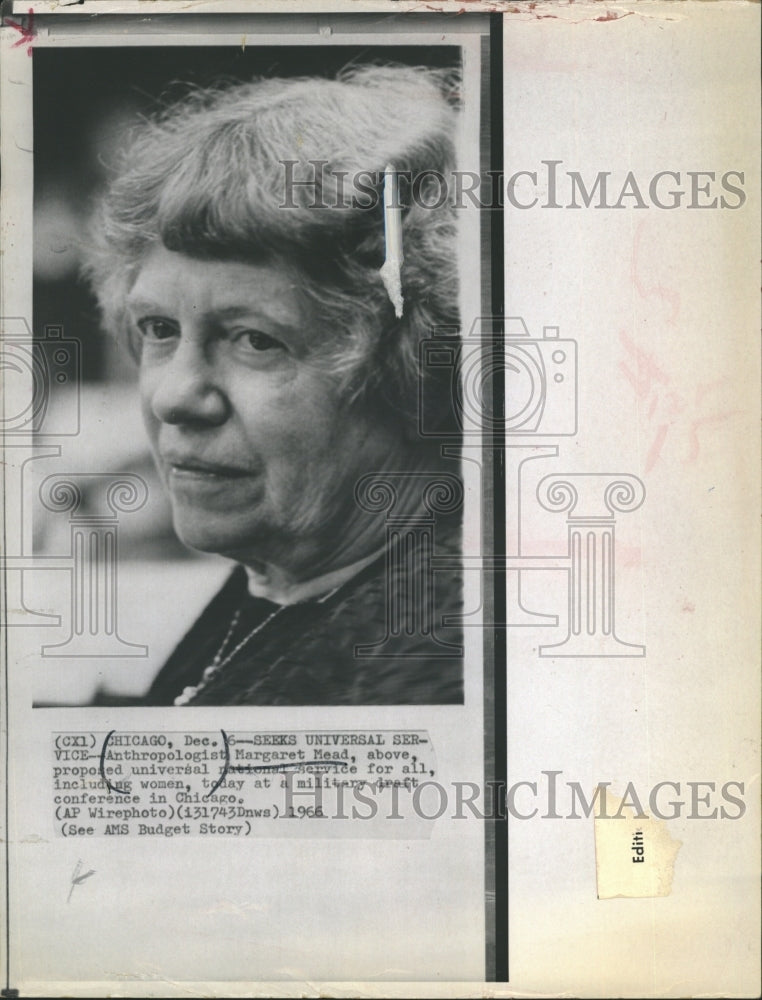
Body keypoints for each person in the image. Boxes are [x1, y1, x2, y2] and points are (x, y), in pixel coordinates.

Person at [83, 64, 464, 706]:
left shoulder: (427, 654)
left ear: (419, 366)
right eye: (158, 328)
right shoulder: (293, 578)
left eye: (255, 340)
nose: (173, 397)